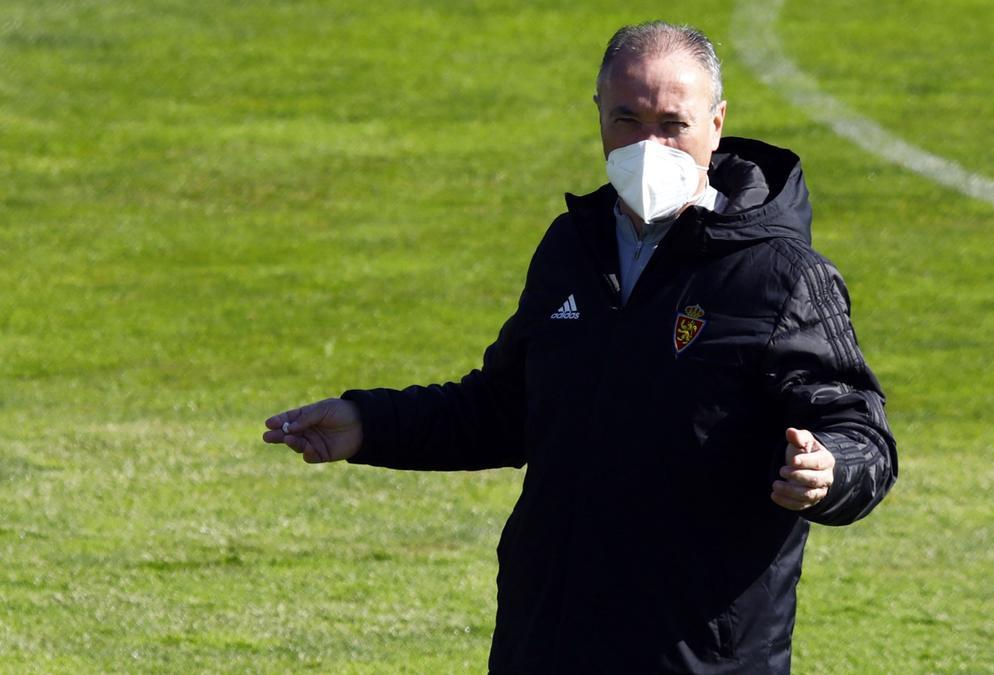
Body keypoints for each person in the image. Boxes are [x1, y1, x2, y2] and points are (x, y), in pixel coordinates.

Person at [264, 21, 897, 675]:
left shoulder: (781, 275)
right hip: (547, 641)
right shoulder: (573, 247)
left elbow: (862, 433)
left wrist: (829, 473)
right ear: (598, 115)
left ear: (717, 122)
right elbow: (504, 411)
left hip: (693, 657)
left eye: (673, 124)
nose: (650, 146)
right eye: (627, 120)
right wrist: (366, 425)